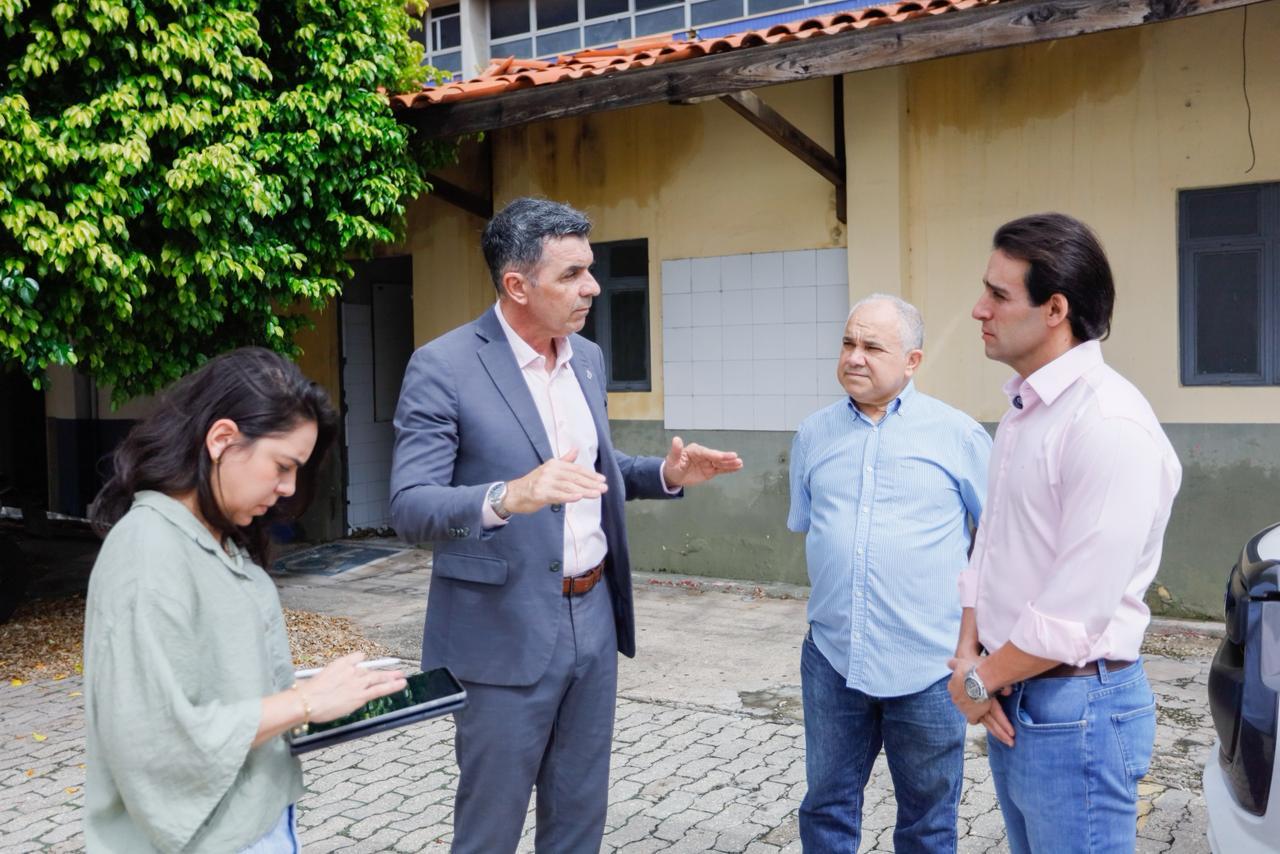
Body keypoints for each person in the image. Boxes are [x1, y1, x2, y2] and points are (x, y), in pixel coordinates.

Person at [390, 197, 742, 853]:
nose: (593, 286)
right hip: (499, 632)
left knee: (579, 818)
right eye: (572, 274)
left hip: (594, 619)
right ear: (516, 285)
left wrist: (663, 475)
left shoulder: (587, 357)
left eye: (591, 268)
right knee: (490, 828)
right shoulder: (444, 367)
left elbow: (589, 471)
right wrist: (507, 496)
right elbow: (411, 506)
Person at [83, 348, 408, 853]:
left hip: (260, 818)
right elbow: (152, 740)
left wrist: (321, 700)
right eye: (282, 465)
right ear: (222, 439)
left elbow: (223, 692)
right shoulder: (148, 551)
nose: (288, 488)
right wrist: (303, 702)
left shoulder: (220, 539)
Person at [947, 214, 1182, 853]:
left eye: (998, 295)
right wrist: (970, 655)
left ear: (1056, 308)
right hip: (1015, 693)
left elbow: (1073, 614)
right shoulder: (1026, 410)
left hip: (1077, 708)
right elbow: (989, 547)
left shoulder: (1107, 424)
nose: (979, 309)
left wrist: (975, 680)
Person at [788, 294, 991, 853]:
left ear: (913, 362)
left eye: (872, 346)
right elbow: (814, 528)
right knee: (825, 808)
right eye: (848, 343)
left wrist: (978, 649)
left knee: (928, 820)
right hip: (833, 660)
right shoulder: (813, 436)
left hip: (929, 665)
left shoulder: (960, 436)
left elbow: (996, 543)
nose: (854, 357)